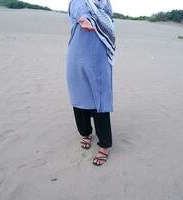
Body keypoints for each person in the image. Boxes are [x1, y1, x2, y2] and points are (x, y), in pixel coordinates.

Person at [66, 0, 115, 166]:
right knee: (79, 94)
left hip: (98, 53)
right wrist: (85, 19)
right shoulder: (78, 2)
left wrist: (91, 20)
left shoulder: (105, 3)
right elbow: (81, 11)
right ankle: (85, 132)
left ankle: (105, 145)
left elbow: (109, 21)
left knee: (99, 96)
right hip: (78, 52)